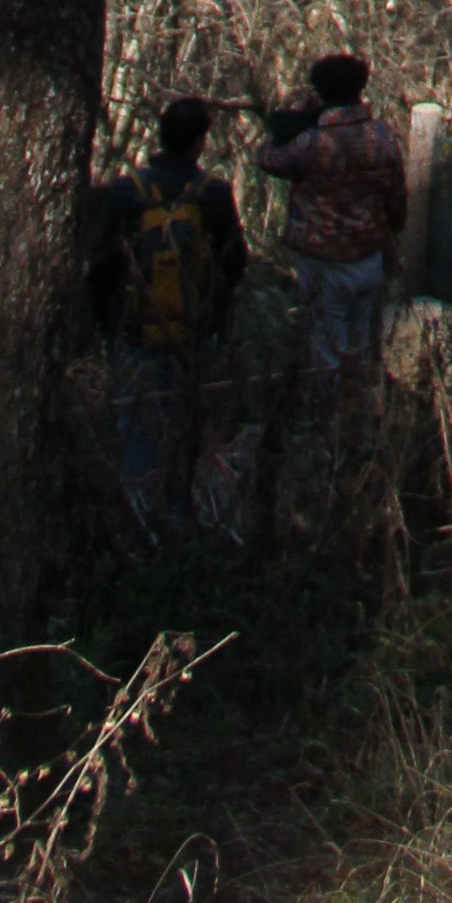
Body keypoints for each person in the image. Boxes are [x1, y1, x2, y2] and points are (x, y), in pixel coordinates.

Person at [85, 93, 247, 540]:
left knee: (136, 428)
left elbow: (100, 267)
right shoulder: (212, 195)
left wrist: (105, 323)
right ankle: (178, 522)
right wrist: (217, 319)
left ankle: (140, 526)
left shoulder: (125, 193)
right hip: (191, 337)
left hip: (134, 334)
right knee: (183, 425)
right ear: (199, 142)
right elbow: (235, 262)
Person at [261, 49, 408, 435]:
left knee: (325, 355)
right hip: (369, 260)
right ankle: (361, 434)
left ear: (320, 91)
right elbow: (397, 201)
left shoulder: (312, 143)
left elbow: (268, 158)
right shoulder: (383, 136)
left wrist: (295, 113)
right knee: (361, 354)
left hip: (323, 262)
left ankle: (325, 439)